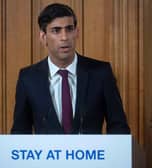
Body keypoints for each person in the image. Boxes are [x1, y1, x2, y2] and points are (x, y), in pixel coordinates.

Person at [11, 3, 130, 134]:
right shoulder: (28, 78)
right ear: (43, 37)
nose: (64, 37)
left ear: (76, 33)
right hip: (47, 154)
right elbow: (20, 132)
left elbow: (119, 127)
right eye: (56, 30)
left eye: (69, 29)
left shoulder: (101, 73)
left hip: (91, 154)